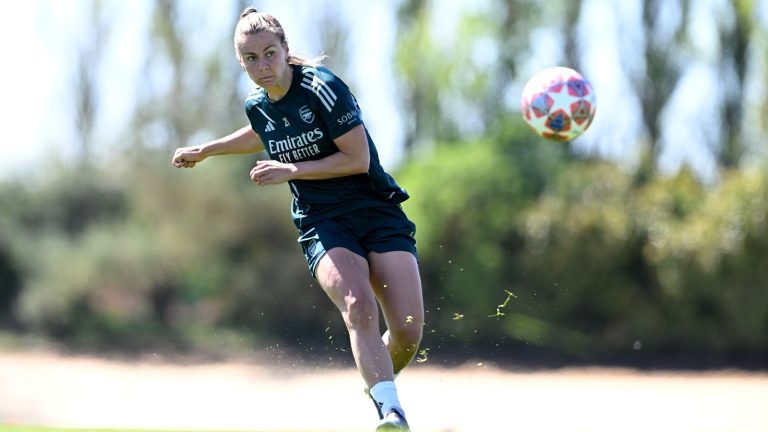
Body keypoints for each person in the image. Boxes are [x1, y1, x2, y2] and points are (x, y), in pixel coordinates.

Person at [171, 7, 423, 432]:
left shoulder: (323, 88)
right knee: (357, 304)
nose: (262, 66)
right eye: (251, 59)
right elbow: (260, 131)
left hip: (376, 211)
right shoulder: (258, 103)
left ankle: (376, 380)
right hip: (322, 220)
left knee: (409, 331)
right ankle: (391, 412)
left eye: (269, 53)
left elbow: (358, 159)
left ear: (286, 50)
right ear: (241, 63)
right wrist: (206, 150)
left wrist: (292, 170)